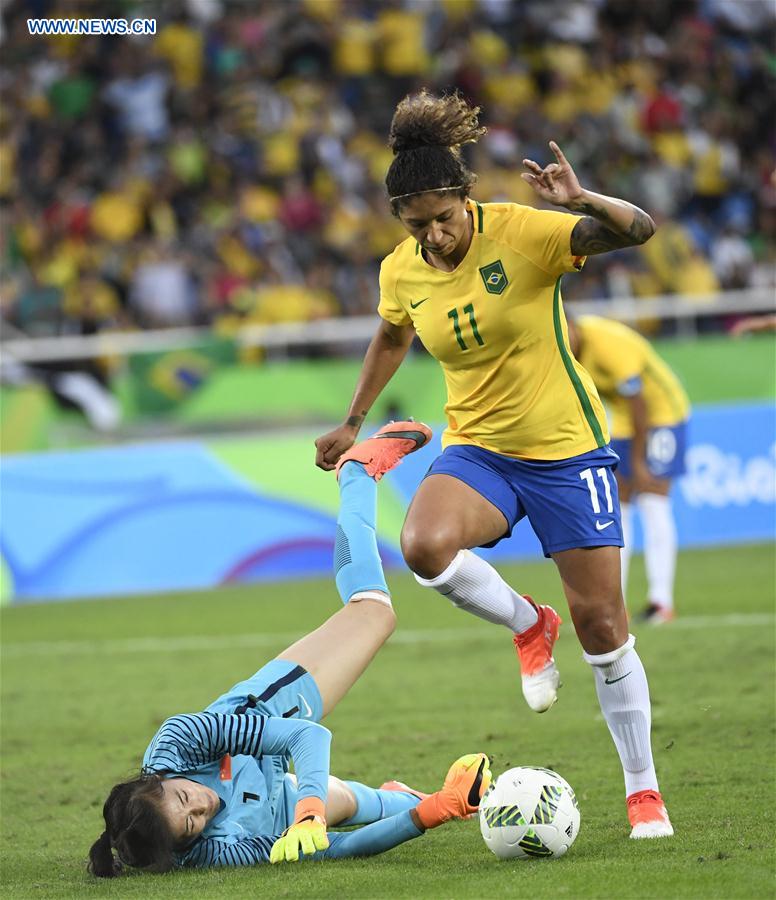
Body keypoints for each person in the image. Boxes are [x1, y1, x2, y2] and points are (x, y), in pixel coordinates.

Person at [315, 90, 673, 839]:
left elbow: (638, 231)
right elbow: (391, 336)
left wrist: (582, 199)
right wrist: (352, 421)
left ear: (466, 197)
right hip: (479, 449)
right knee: (423, 547)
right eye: (419, 226)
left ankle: (643, 791)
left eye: (445, 218)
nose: (437, 237)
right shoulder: (401, 272)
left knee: (604, 625)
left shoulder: (523, 233)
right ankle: (526, 622)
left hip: (567, 450)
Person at [88, 423, 492, 876]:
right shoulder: (208, 852)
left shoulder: (176, 744)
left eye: (186, 799)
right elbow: (336, 851)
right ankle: (410, 796)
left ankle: (357, 476)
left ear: (158, 781)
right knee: (355, 805)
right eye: (193, 825)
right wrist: (435, 811)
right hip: (273, 801)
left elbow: (307, 736)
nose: (204, 807)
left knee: (374, 614)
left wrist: (310, 810)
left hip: (273, 712)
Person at [567, 316, 691, 624]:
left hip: (663, 415)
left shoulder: (609, 344)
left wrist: (638, 461)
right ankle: (613, 603)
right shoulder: (561, 349)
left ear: (572, 324)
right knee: (617, 510)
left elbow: (640, 404)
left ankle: (661, 601)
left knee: (653, 500)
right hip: (623, 421)